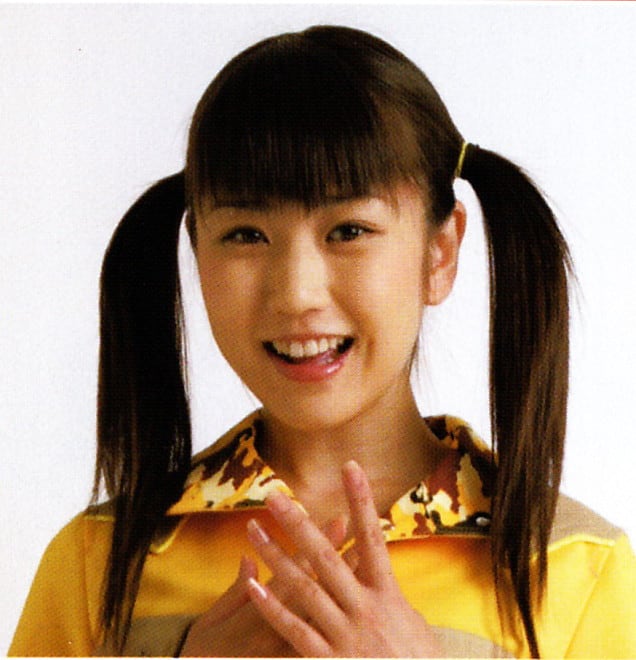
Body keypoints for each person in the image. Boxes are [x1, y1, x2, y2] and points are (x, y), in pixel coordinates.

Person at [9, 24, 636, 658]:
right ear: (197, 253)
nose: (296, 292)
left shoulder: (577, 567)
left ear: (439, 253)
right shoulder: (95, 561)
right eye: (246, 235)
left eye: (349, 230)